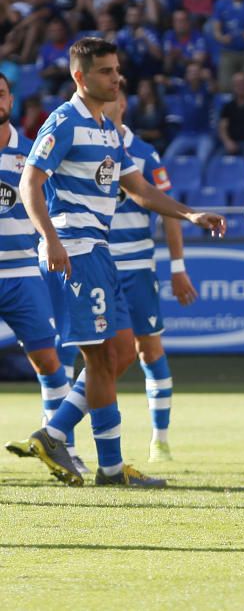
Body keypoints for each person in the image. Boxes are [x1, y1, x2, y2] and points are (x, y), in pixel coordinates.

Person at [17, 37, 225, 488]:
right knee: (101, 358)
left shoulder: (108, 130)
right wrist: (50, 238)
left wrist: (190, 213)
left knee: (122, 351)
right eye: (107, 72)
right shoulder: (65, 122)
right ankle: (108, 468)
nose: (117, 78)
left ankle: (55, 435)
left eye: (117, 71)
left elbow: (141, 190)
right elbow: (29, 182)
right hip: (74, 250)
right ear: (80, 77)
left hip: (100, 250)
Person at [0, 72, 87, 475]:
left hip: (21, 273)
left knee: (49, 362)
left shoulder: (31, 153)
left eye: (0, 94)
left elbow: (51, 204)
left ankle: (59, 446)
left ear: (11, 99)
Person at [107, 85, 198, 461]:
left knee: (149, 348)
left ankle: (159, 439)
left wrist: (178, 267)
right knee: (85, 352)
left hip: (137, 266)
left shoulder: (144, 154)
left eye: (115, 94)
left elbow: (169, 213)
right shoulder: (80, 147)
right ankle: (64, 433)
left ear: (124, 104)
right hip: (94, 263)